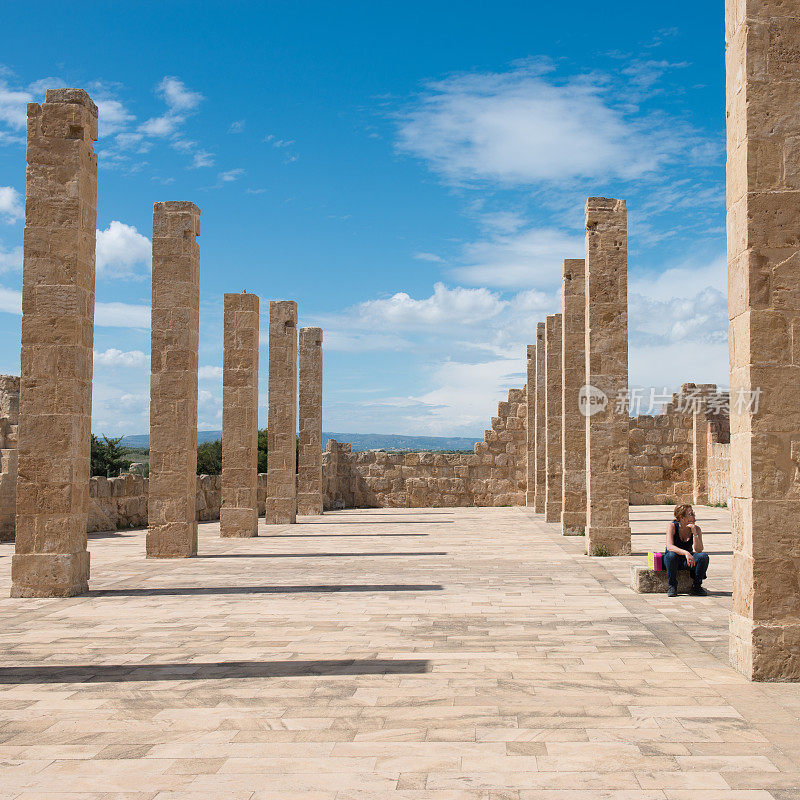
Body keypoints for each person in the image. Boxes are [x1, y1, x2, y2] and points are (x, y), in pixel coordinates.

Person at [664, 504, 709, 597]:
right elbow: (669, 546)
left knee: (703, 557)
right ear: (682, 517)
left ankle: (696, 586)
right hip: (674, 560)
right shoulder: (672, 526)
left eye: (693, 514)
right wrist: (685, 552)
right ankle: (672, 586)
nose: (694, 516)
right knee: (671, 555)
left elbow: (699, 549)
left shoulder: (696, 529)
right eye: (691, 514)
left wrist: (695, 533)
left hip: (687, 561)